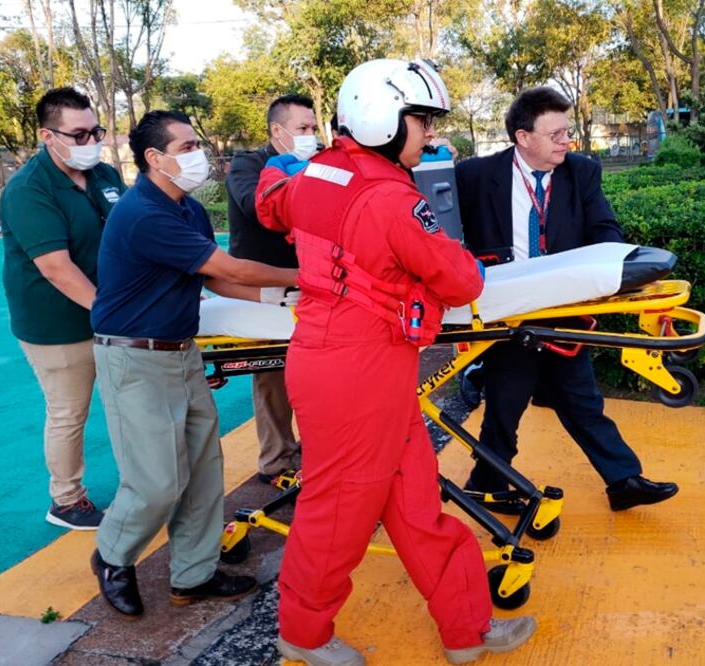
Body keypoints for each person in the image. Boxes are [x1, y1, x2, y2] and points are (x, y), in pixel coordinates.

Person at [255, 59, 537, 666]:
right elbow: (461, 281)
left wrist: (289, 170)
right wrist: (460, 260)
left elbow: (272, 207)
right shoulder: (388, 197)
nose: (430, 135)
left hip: (349, 362)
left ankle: (466, 628)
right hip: (357, 370)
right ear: (383, 119)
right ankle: (303, 633)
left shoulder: (318, 172)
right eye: (422, 120)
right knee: (338, 510)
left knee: (413, 502)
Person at [88, 110, 298, 619]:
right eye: (185, 148)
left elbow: (213, 279)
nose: (197, 155)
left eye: (195, 145)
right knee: (156, 481)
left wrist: (283, 297)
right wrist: (308, 275)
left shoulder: (187, 210)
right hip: (134, 358)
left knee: (204, 472)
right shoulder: (144, 213)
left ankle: (193, 574)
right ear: (154, 158)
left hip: (180, 352)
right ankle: (113, 556)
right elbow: (228, 267)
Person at [454, 87, 679, 512]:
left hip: (565, 311)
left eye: (567, 131)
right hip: (510, 311)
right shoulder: (474, 176)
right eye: (555, 134)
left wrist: (608, 267)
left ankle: (623, 482)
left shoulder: (581, 172)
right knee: (505, 404)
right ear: (523, 137)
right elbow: (437, 220)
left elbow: (605, 228)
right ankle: (486, 484)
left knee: (582, 400)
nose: (566, 141)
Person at [0, 87, 124, 530]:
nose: (91, 143)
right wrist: (111, 313)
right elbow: (56, 268)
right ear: (47, 136)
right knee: (69, 412)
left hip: (110, 314)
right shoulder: (28, 190)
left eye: (96, 132)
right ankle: (66, 500)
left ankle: (144, 484)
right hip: (57, 323)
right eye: (78, 135)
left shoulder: (104, 175)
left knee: (128, 403)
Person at [226, 94, 318, 484]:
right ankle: (277, 459)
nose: (311, 136)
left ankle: (318, 450)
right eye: (303, 128)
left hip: (311, 280)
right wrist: (298, 176)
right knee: (273, 373)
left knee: (317, 371)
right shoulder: (247, 165)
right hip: (265, 282)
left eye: (313, 128)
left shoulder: (319, 160)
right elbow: (257, 206)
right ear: (277, 131)